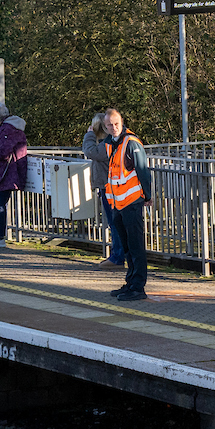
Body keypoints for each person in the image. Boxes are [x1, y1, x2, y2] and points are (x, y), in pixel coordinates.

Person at [100, 108, 152, 301]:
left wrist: (147, 195)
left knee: (136, 245)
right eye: (110, 125)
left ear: (122, 123)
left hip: (131, 201)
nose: (114, 128)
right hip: (118, 203)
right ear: (105, 127)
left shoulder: (131, 143)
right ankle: (131, 282)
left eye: (116, 124)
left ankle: (138, 286)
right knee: (128, 246)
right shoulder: (110, 144)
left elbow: (142, 170)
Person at [82, 106, 124, 267]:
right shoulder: (113, 141)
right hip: (110, 186)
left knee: (115, 222)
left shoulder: (107, 143)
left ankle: (117, 257)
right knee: (116, 222)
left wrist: (89, 135)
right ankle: (117, 255)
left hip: (110, 187)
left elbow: (90, 151)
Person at [0, 103, 29, 248]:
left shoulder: (9, 129)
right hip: (7, 171)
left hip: (8, 172)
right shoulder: (8, 127)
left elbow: (4, 151)